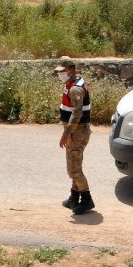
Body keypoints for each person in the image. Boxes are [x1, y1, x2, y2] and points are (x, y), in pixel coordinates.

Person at [56, 56, 95, 214]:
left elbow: (77, 113)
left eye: (62, 71)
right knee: (74, 165)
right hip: (75, 132)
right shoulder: (71, 84)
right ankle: (74, 197)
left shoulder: (75, 89)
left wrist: (66, 133)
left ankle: (86, 199)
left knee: (73, 169)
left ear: (70, 69)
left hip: (76, 133)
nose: (60, 74)